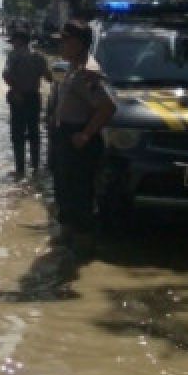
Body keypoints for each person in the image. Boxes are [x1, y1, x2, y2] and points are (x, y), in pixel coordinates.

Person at [49, 20, 116, 230]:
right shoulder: (73, 67)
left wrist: (85, 135)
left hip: (78, 142)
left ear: (78, 44)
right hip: (65, 138)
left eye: (64, 42)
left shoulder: (88, 72)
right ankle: (65, 249)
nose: (60, 46)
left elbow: (107, 107)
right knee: (64, 197)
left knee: (78, 200)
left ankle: (78, 251)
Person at [2, 28, 51, 177]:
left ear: (20, 41)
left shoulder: (13, 56)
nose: (13, 45)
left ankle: (20, 169)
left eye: (14, 42)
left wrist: (16, 90)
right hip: (34, 98)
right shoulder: (39, 56)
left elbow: (6, 75)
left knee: (18, 135)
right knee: (34, 133)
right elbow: (49, 77)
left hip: (18, 99)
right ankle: (36, 167)